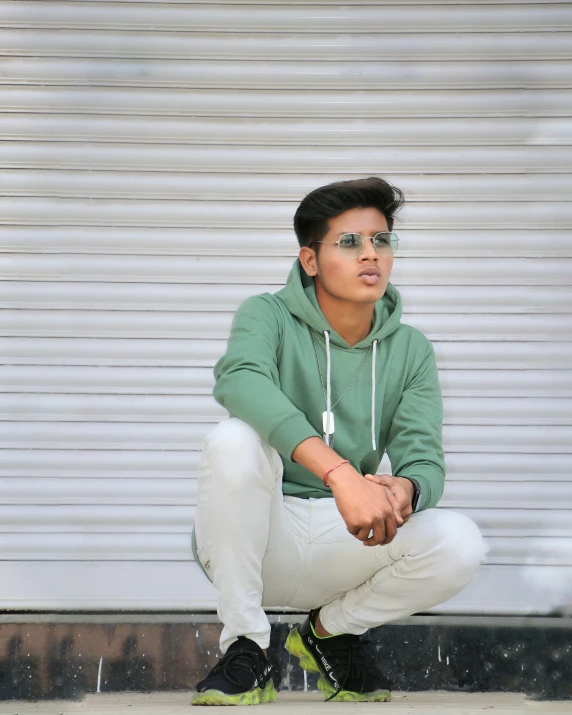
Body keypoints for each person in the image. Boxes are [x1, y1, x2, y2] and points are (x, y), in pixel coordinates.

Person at [191, 177, 486, 705]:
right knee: (232, 438)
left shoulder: (411, 349)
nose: (370, 254)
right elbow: (239, 380)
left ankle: (327, 632)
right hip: (260, 537)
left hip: (347, 538)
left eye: (381, 240)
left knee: (460, 541)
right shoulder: (268, 315)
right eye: (349, 242)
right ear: (310, 260)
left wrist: (406, 489)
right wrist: (340, 473)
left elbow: (425, 457)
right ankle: (247, 647)